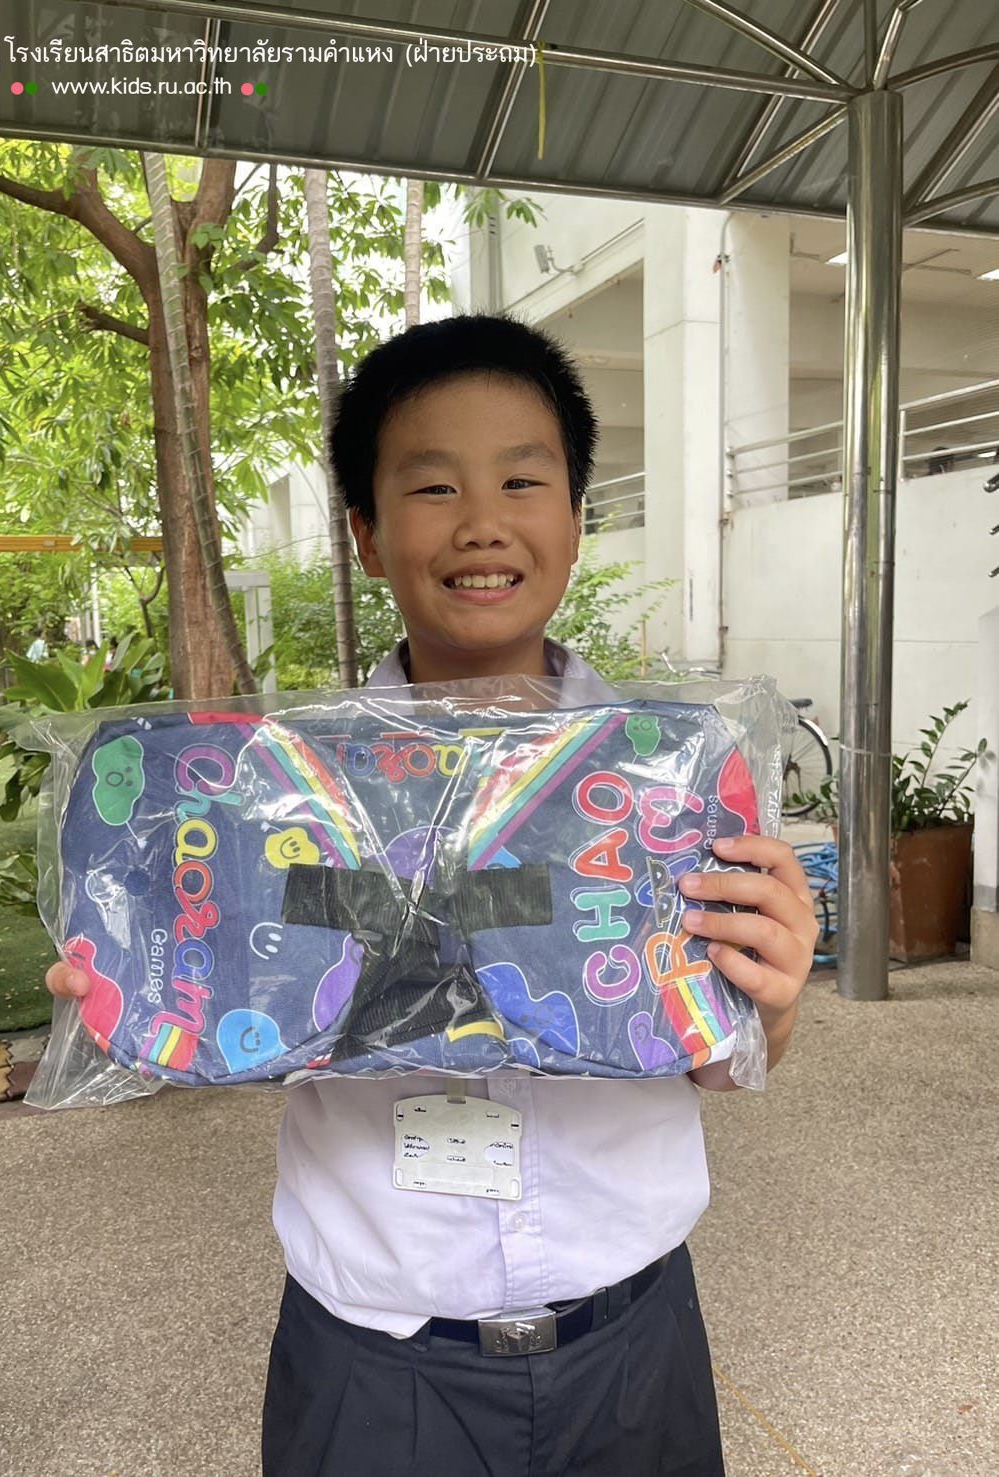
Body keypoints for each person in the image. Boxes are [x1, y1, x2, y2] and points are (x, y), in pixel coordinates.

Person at [46, 316, 816, 1475]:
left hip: (636, 1348)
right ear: (364, 532)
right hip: (372, 1366)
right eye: (432, 486)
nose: (481, 522)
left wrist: (770, 1002)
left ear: (575, 518)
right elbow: (232, 976)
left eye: (522, 480)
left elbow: (715, 1042)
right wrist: (138, 970)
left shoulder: (672, 778)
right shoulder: (275, 791)